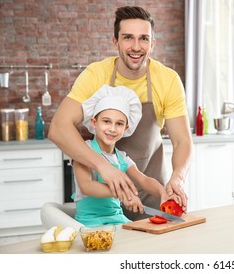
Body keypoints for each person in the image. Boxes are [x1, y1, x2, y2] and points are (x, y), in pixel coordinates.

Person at [49, 6, 192, 220]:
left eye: (144, 38)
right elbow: (58, 128)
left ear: (152, 43)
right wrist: (104, 167)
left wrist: (177, 178)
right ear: (115, 41)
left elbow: (182, 140)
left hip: (153, 197)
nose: (136, 47)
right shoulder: (96, 74)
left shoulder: (168, 79)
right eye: (128, 38)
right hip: (104, 201)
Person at [72, 85, 180, 226]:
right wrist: (125, 194)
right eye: (106, 121)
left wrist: (162, 192)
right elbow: (87, 186)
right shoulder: (84, 150)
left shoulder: (121, 157)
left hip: (118, 220)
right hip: (90, 223)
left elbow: (144, 180)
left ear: (126, 128)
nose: (112, 129)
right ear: (94, 122)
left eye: (119, 124)